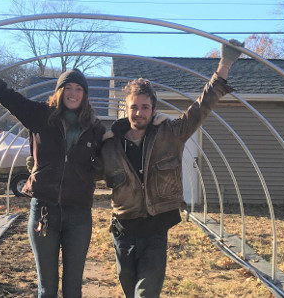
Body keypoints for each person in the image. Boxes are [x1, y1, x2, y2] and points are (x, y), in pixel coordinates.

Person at [0, 33, 106, 298]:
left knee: (73, 288)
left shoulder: (95, 129)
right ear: (60, 91)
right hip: (44, 211)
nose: (73, 93)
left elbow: (108, 159)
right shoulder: (40, 116)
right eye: (68, 88)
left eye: (79, 89)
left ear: (85, 95)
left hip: (79, 215)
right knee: (47, 288)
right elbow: (2, 91)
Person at [98, 39, 244, 297]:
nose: (139, 112)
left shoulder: (171, 134)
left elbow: (202, 107)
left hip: (156, 230)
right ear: (126, 109)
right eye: (134, 107)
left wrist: (225, 64)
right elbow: (86, 170)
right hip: (124, 230)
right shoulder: (110, 145)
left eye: (145, 107)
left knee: (147, 294)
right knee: (129, 291)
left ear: (153, 110)